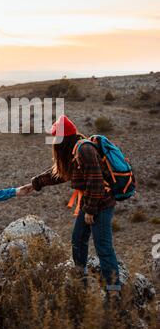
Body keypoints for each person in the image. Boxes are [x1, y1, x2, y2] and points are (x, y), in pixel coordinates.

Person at [31, 115, 121, 295]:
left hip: (100, 204)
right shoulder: (74, 150)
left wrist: (90, 210)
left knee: (103, 247)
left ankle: (114, 292)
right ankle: (81, 280)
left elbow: (95, 180)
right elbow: (60, 174)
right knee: (78, 240)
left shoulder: (84, 149)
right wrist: (36, 183)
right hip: (91, 202)